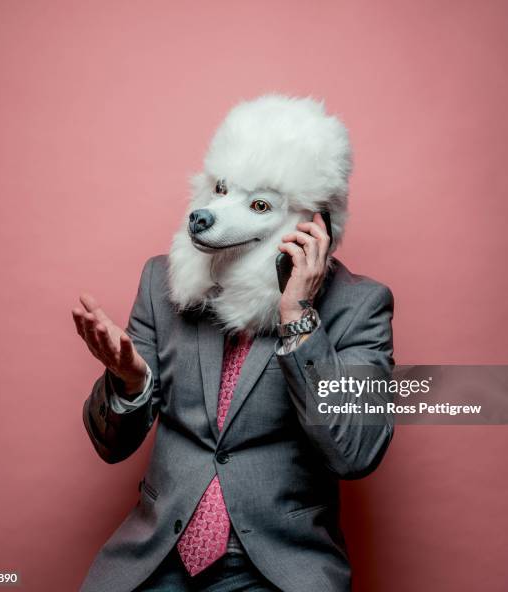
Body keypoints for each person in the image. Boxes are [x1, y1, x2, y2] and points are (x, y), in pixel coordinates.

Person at [73, 95, 394, 592]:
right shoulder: (160, 283)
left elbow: (355, 451)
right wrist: (131, 382)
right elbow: (111, 447)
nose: (214, 211)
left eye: (261, 205)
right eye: (222, 190)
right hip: (157, 555)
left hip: (276, 567)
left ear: (318, 227)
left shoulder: (360, 306)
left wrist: (298, 316)